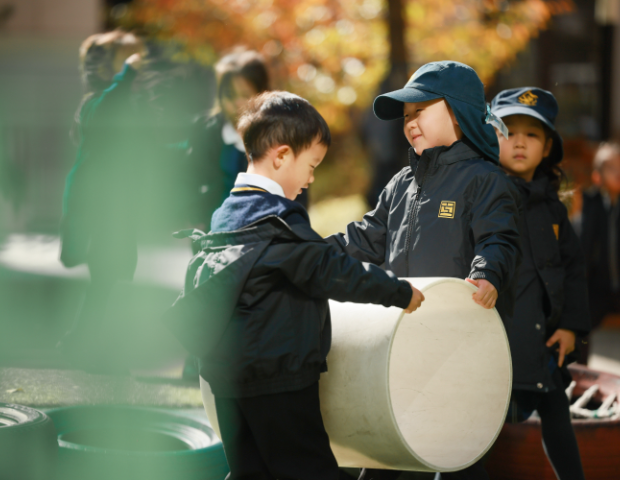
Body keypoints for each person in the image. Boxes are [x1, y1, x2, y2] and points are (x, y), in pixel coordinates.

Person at [164, 91, 425, 480]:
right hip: (277, 376)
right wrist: (399, 292)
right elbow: (332, 271)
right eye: (311, 165)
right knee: (307, 468)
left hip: (225, 374)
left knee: (250, 471)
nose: (311, 178)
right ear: (282, 156)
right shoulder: (279, 222)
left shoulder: (226, 214)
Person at [324, 61, 522, 480]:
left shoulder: (484, 180)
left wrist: (487, 272)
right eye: (406, 116)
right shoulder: (401, 184)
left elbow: (499, 238)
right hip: (403, 337)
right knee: (387, 448)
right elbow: (365, 237)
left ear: (459, 113)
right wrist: (309, 254)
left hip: (458, 341)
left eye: (420, 111)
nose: (410, 123)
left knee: (456, 451)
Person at [491, 87, 590, 480]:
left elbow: (573, 270)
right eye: (508, 131)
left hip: (540, 339)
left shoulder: (553, 209)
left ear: (547, 146)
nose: (519, 142)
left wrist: (570, 326)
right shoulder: (483, 196)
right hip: (493, 340)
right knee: (466, 436)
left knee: (556, 412)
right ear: (490, 136)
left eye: (531, 134)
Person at [187, 48, 271, 231]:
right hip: (213, 233)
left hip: (262, 236)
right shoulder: (207, 133)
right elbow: (191, 181)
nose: (238, 103)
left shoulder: (276, 136)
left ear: (263, 93)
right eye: (230, 96)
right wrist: (197, 220)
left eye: (245, 95)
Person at [576, 142, 620, 364]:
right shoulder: (590, 203)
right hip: (598, 283)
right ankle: (582, 371)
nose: (618, 172)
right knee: (581, 325)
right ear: (597, 176)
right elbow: (583, 243)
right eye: (611, 167)